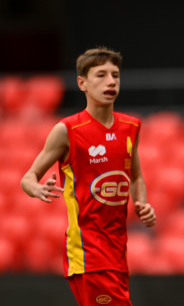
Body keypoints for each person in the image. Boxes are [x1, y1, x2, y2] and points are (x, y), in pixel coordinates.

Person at [21, 47, 156, 306]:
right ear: (82, 83)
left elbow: (136, 177)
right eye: (101, 75)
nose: (111, 82)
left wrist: (142, 203)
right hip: (87, 249)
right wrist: (37, 189)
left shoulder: (131, 126)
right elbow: (27, 177)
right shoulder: (67, 130)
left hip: (118, 248)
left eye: (115, 75)